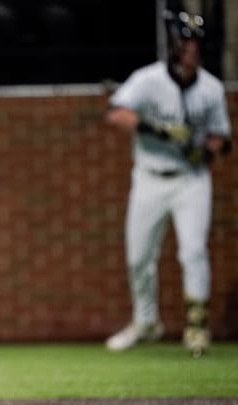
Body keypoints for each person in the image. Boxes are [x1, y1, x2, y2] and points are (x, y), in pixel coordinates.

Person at [104, 10, 231, 357]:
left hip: (191, 179)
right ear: (174, 46)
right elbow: (116, 112)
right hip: (149, 177)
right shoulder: (149, 80)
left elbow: (222, 138)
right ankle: (146, 322)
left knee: (192, 251)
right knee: (138, 256)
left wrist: (203, 151)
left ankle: (197, 327)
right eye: (185, 43)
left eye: (196, 44)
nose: (191, 51)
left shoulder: (211, 88)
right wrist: (156, 128)